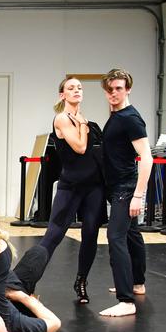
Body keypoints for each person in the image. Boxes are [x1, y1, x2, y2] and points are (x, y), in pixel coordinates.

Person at [38, 76, 105, 304]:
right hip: (70, 186)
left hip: (93, 187)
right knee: (54, 235)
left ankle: (81, 281)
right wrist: (83, 125)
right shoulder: (61, 119)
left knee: (90, 234)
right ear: (62, 95)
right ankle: (26, 282)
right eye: (71, 88)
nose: (76, 90)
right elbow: (80, 147)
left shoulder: (88, 122)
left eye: (79, 88)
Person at [99, 68, 152, 317]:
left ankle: (126, 300)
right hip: (117, 186)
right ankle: (137, 284)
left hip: (126, 188)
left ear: (128, 89)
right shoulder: (117, 115)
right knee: (131, 234)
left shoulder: (130, 118)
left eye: (118, 88)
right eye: (110, 89)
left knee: (115, 236)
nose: (114, 93)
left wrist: (138, 195)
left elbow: (147, 158)